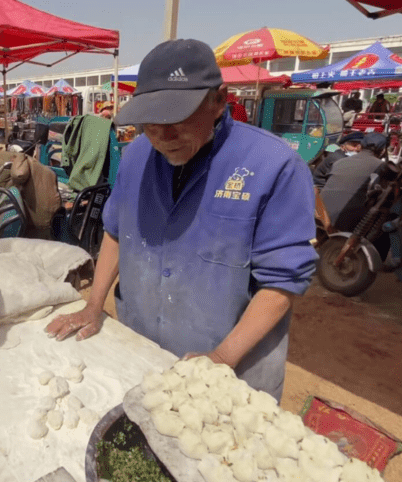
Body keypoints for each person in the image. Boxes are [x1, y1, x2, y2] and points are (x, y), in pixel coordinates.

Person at [44, 39, 318, 401]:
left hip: (231, 373)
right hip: (143, 352)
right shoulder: (136, 156)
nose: (162, 136)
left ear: (219, 100)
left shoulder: (274, 166)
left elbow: (282, 282)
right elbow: (115, 232)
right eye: (150, 122)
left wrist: (221, 358)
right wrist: (94, 305)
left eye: (176, 118)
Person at [320, 132, 391, 259]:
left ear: (360, 146)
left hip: (324, 215)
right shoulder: (381, 166)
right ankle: (377, 261)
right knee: (388, 223)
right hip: (350, 220)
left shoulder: (339, 162)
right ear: (382, 150)